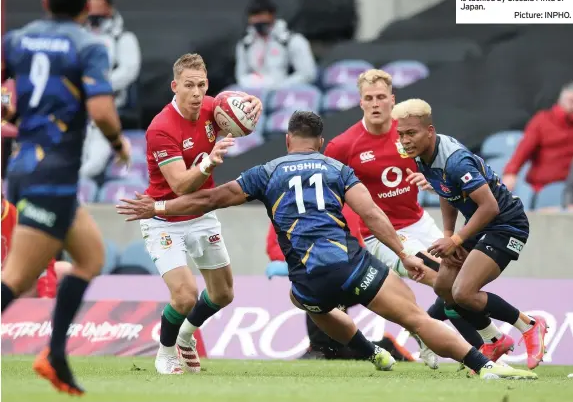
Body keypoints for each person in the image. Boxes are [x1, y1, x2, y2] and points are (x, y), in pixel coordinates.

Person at [118, 110, 537, 381]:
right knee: (414, 317)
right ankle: (485, 368)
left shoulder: (266, 171)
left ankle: (370, 352)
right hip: (351, 264)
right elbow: (372, 215)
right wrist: (404, 253)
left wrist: (157, 205)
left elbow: (209, 197)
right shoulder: (336, 167)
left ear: (287, 141)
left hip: (308, 278)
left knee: (305, 302)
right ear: (320, 143)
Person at [1, 0, 130, 395]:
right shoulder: (87, 45)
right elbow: (102, 111)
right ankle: (55, 355)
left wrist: (13, 109)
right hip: (51, 174)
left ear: (44, 4)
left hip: (25, 165)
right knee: (17, 279)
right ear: (86, 9)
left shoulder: (16, 39)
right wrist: (118, 143)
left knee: (91, 256)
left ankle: (55, 354)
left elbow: (11, 99)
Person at [324, 69, 483, 369]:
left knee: (457, 280)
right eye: (368, 98)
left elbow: (439, 167)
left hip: (420, 221)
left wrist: (429, 180)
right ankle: (480, 346)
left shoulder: (408, 133)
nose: (375, 103)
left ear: (392, 99)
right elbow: (330, 191)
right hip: (382, 235)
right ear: (360, 103)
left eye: (381, 97)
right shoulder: (343, 146)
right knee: (441, 279)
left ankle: (426, 330)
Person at [393, 98, 548, 371]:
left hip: (506, 224)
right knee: (443, 288)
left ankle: (530, 325)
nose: (405, 140)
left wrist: (456, 240)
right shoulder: (420, 155)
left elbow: (490, 206)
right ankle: (494, 339)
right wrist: (450, 234)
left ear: (430, 131)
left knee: (463, 292)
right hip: (480, 224)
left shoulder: (456, 161)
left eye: (411, 133)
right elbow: (445, 192)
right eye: (401, 134)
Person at [142, 52, 262, 375]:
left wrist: (253, 104)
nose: (197, 93)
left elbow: (241, 111)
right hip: (164, 218)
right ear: (175, 86)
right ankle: (165, 353)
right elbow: (180, 185)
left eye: (202, 85)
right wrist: (210, 160)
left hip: (202, 213)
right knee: (184, 296)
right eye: (189, 86)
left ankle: (185, 335)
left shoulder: (213, 107)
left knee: (223, 294)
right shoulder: (161, 128)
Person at [235, 0, 317, 89]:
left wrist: (280, 86)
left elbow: (308, 74)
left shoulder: (292, 41)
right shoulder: (245, 44)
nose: (258, 19)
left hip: (284, 91)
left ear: (272, 15)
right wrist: (252, 83)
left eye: (262, 14)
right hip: (254, 93)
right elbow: (241, 76)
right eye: (254, 15)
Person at [503, 82, 573, 193]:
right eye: (569, 100)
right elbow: (523, 150)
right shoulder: (542, 120)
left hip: (569, 187)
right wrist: (511, 173)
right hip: (542, 187)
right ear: (561, 99)